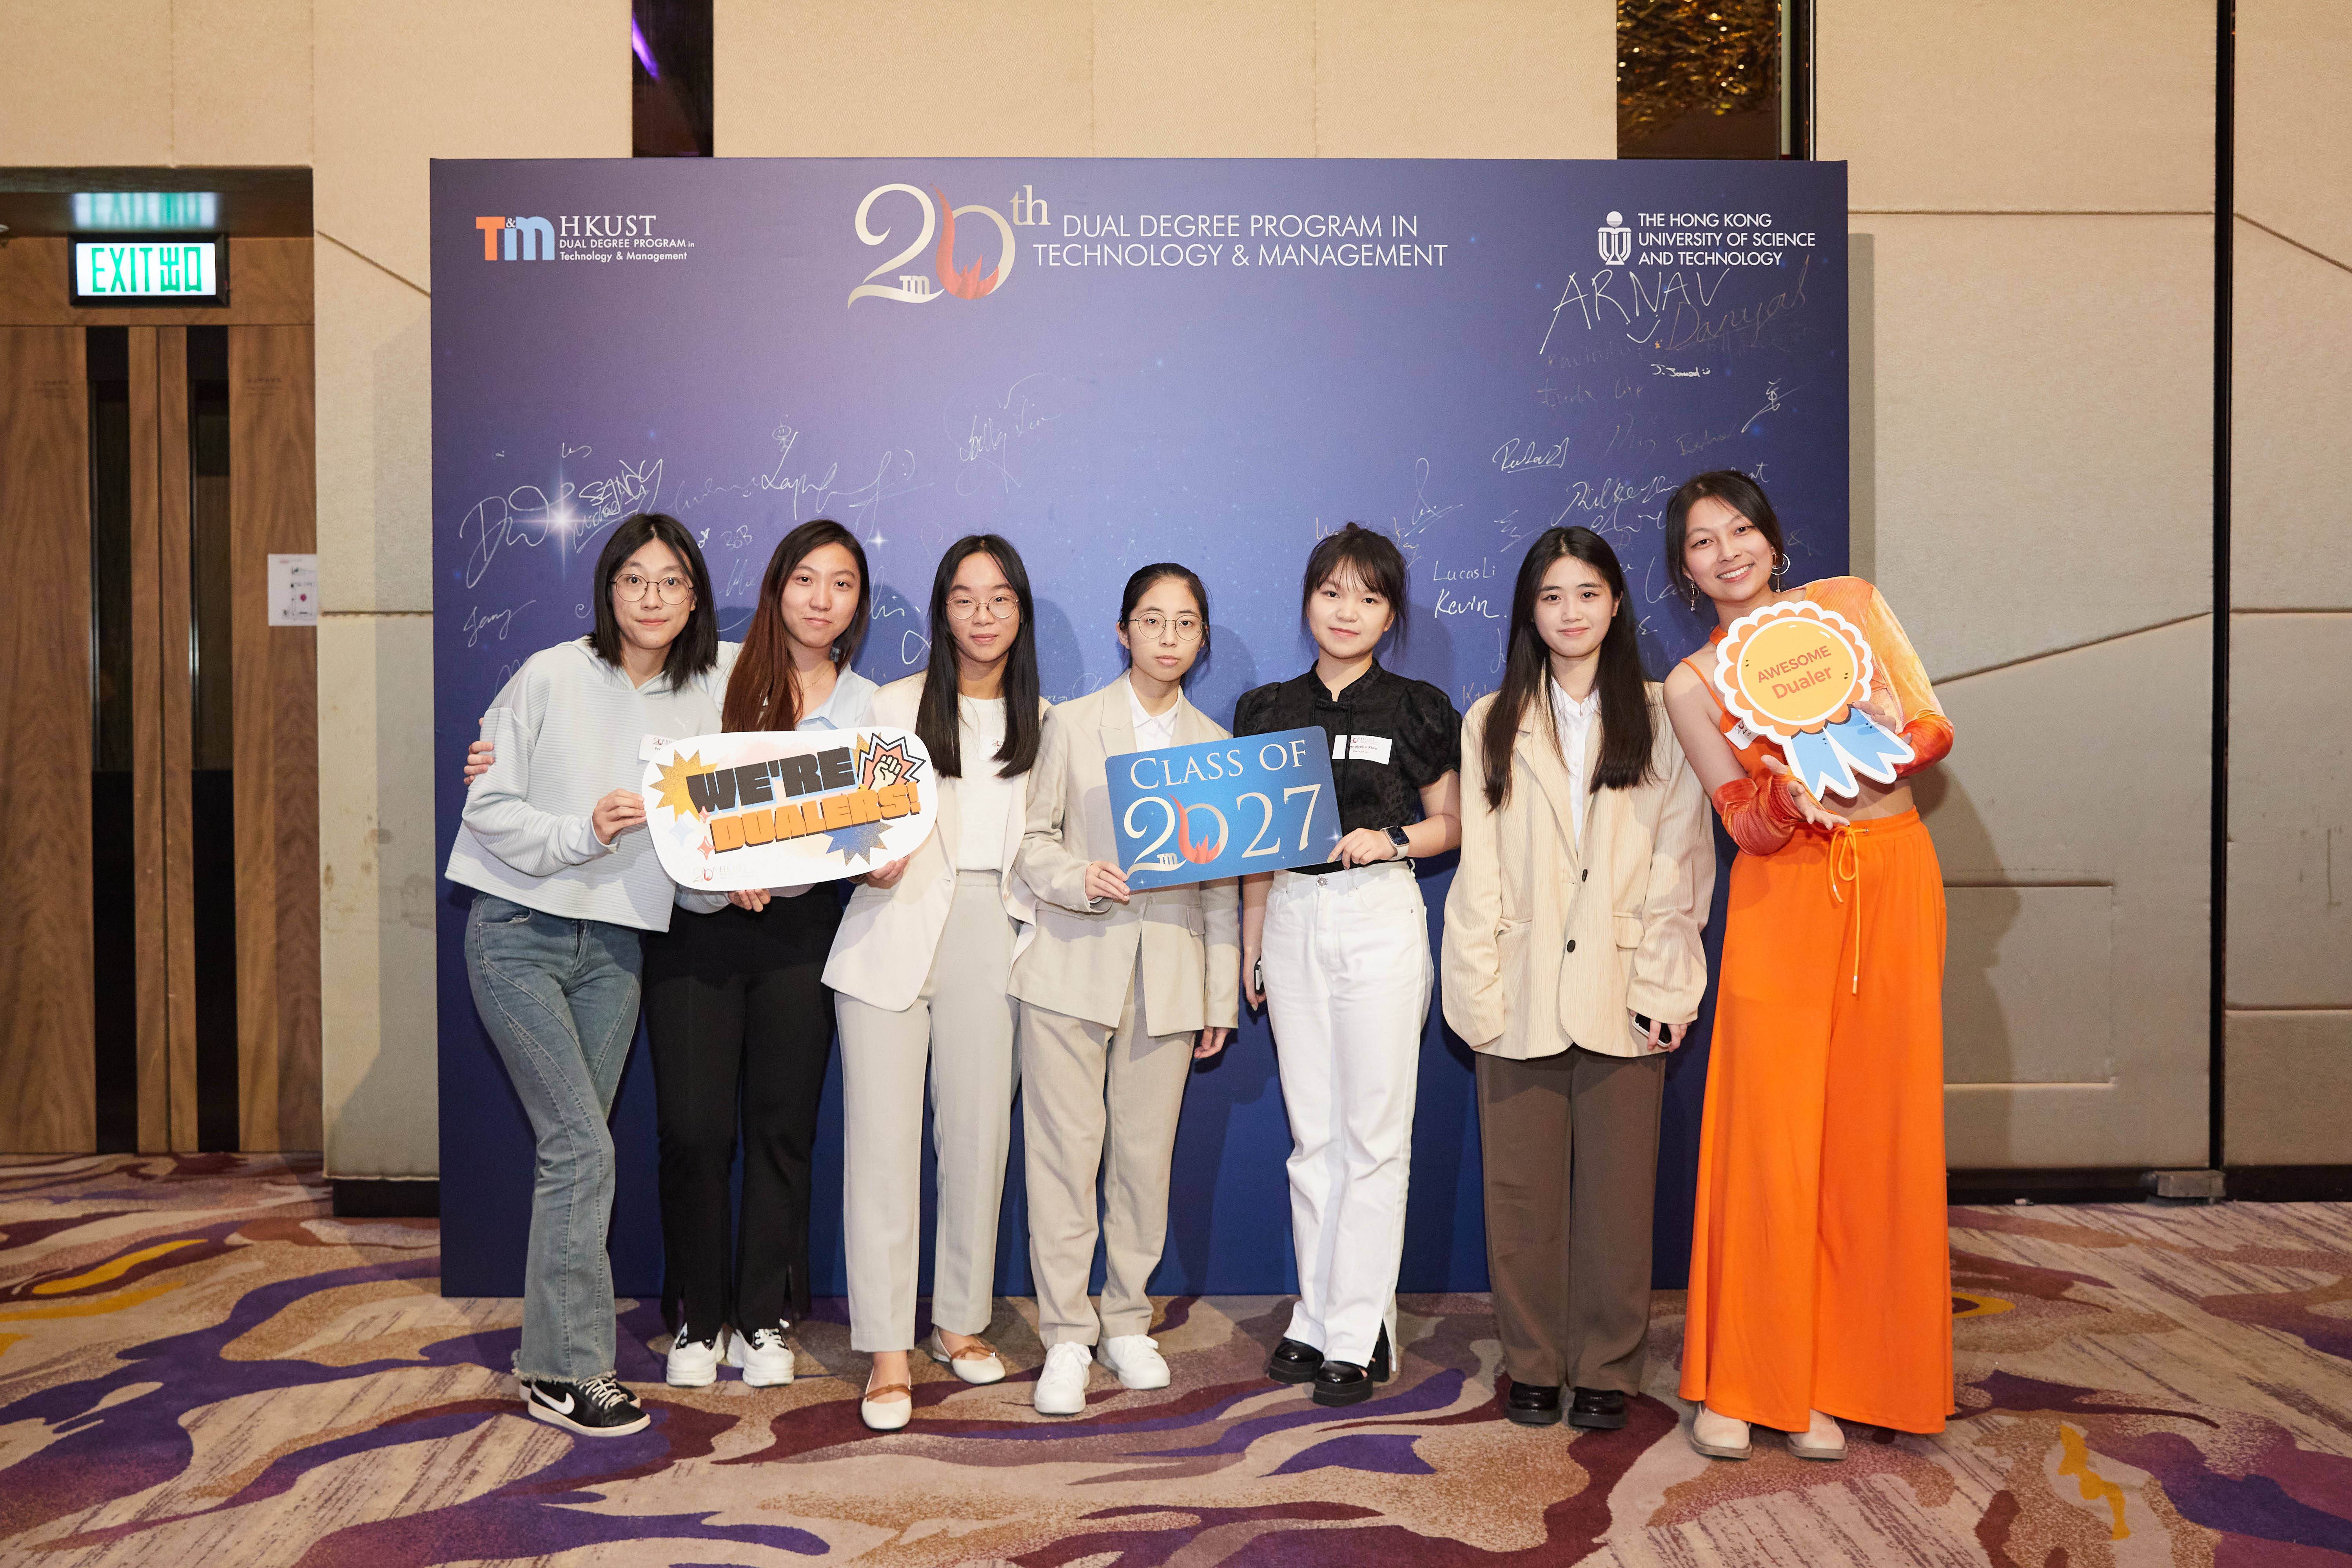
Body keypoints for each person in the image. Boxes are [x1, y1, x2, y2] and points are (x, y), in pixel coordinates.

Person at [1659, 470, 1956, 1461]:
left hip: (1894, 877)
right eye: (1703, 541)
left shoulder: (1851, 607)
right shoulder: (1691, 683)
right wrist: (1784, 796)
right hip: (1783, 899)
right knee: (1769, 1134)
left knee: (1878, 1128)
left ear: (1773, 540)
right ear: (1686, 570)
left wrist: (1871, 739)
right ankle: (1746, 1377)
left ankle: (1844, 1374)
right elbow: (1740, 821)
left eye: (1741, 529)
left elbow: (1935, 725)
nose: (1728, 551)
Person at [444, 512, 723, 1437]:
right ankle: (570, 1371)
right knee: (582, 1148)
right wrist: (583, 831)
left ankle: (546, 1360)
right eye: (634, 578)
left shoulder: (706, 697)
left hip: (617, 949)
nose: (652, 596)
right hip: (517, 932)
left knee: (574, 1152)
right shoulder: (550, 673)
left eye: (671, 580)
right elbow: (487, 806)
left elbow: (697, 851)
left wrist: (730, 885)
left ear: (694, 596)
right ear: (608, 590)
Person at [1441, 526, 1712, 1431]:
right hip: (1515, 988)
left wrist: (1667, 984)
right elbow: (1479, 866)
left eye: (1588, 592)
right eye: (1552, 595)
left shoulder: (1664, 713)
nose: (1570, 611)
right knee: (1519, 1196)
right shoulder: (1491, 719)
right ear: (1530, 609)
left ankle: (1606, 1362)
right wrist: (1476, 985)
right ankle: (1531, 1359)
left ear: (1617, 602)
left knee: (1618, 1197)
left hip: (1625, 983)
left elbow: (1683, 860)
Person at [1233, 523, 1462, 1407]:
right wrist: (1252, 940)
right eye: (1332, 592)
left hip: (1379, 915)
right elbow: (1254, 842)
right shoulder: (1265, 710)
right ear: (1308, 600)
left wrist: (1390, 837)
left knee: (1373, 1136)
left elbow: (1453, 824)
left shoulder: (1419, 707)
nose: (1347, 611)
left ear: (1390, 615)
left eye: (1368, 597)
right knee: (1313, 1138)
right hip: (1292, 913)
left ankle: (1360, 1329)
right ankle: (1317, 1313)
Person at [824, 535, 1049, 1430]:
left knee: (978, 1140)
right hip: (890, 925)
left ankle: (959, 1320)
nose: (982, 616)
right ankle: (887, 1348)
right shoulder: (891, 704)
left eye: (999, 599)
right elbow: (845, 825)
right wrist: (861, 859)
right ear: (941, 609)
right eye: (964, 598)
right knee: (881, 1148)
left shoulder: (1048, 720)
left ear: (1020, 611)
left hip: (995, 933)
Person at [650, 519, 877, 1390]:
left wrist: (878, 854)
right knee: (695, 1131)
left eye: (842, 584)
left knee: (783, 1129)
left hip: (801, 933)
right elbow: (662, 780)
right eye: (806, 579)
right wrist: (507, 747)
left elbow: (876, 820)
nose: (822, 599)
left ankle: (762, 1316)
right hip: (698, 928)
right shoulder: (711, 674)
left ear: (858, 601)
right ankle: (698, 1316)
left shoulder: (868, 708)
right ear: (778, 586)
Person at [1009, 563, 1240, 1416]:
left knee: (1144, 1160)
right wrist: (1078, 877)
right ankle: (1067, 1335)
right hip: (1072, 969)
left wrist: (1219, 997)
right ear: (1123, 630)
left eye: (1185, 623)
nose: (1168, 636)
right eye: (1152, 619)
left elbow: (1223, 884)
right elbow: (1031, 843)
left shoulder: (1216, 746)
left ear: (1202, 639)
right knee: (1063, 1161)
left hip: (1169, 976)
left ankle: (1128, 1319)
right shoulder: (1069, 725)